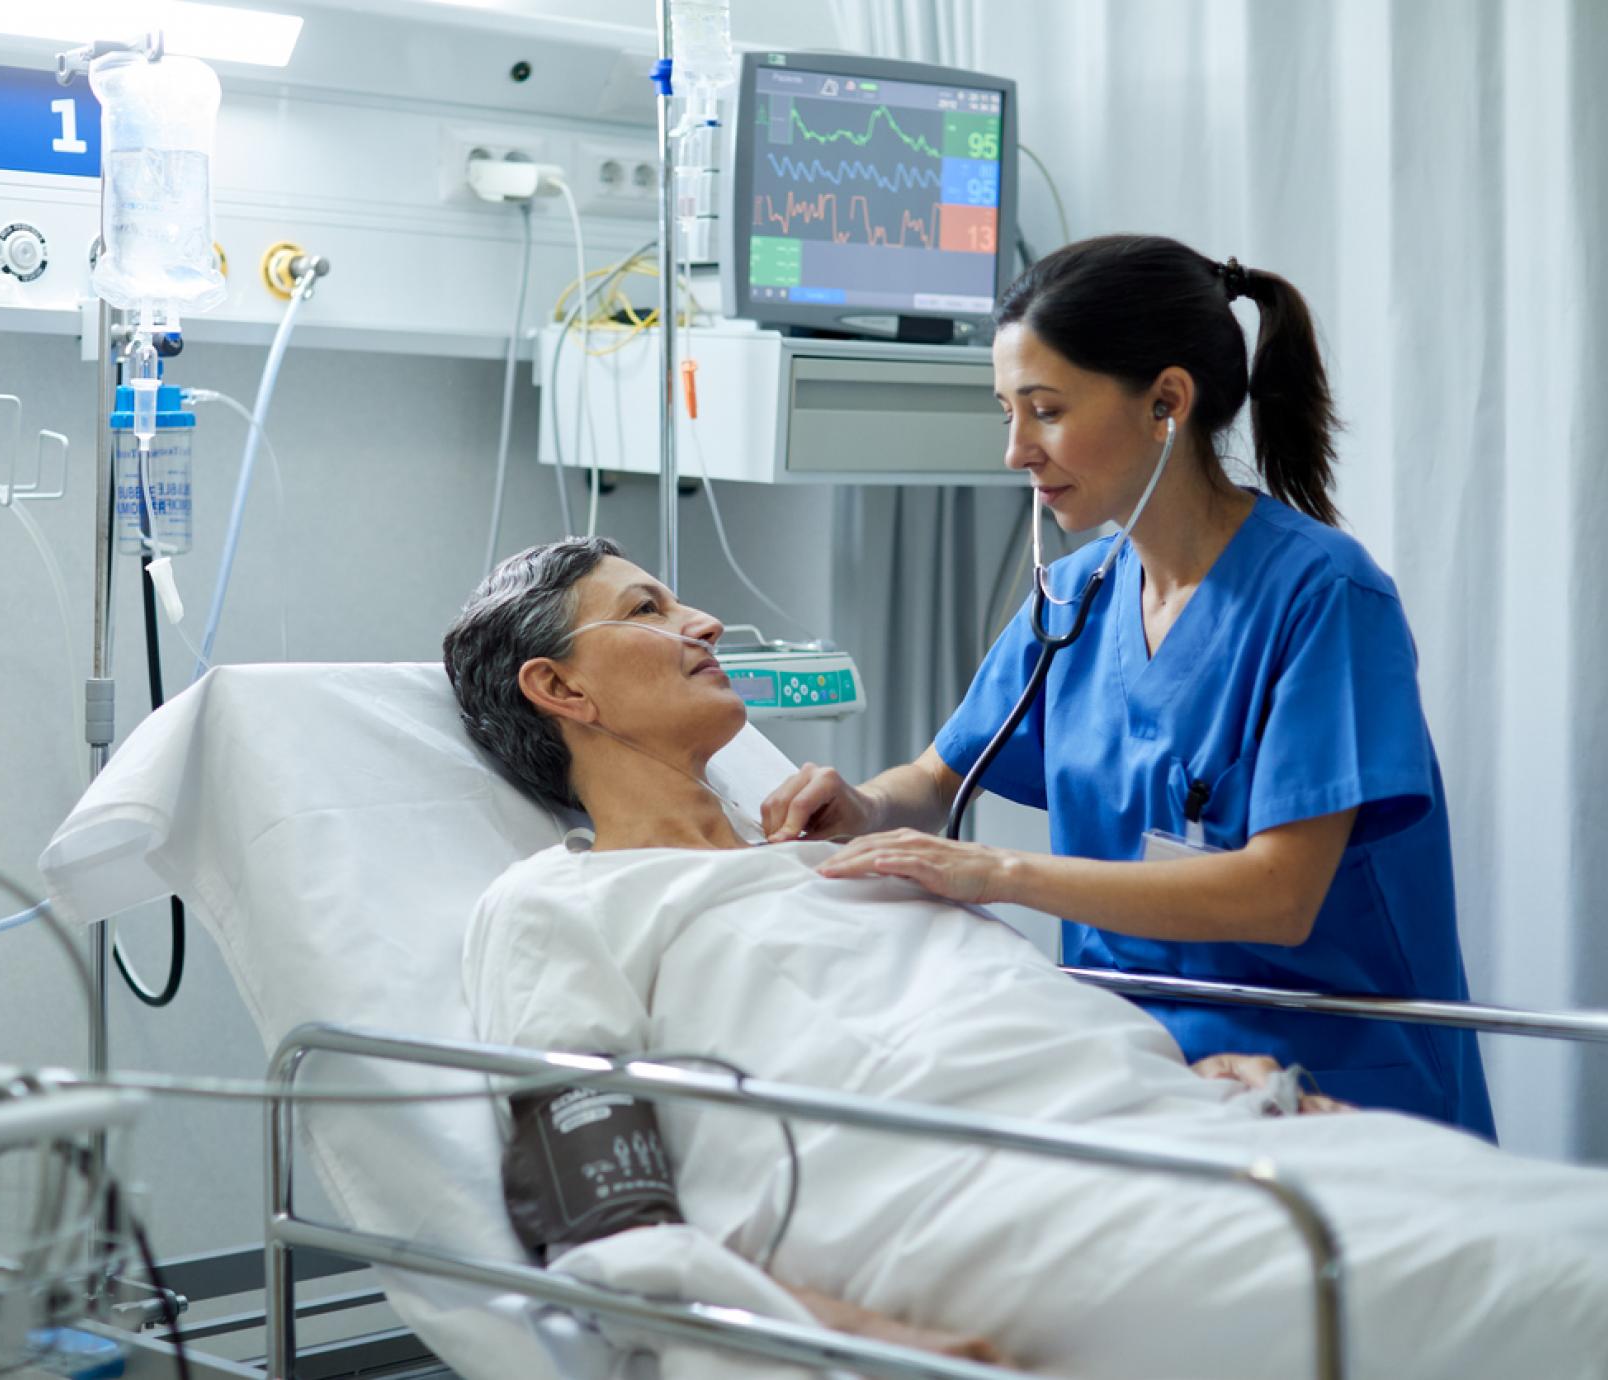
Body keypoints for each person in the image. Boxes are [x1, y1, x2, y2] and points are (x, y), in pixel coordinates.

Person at [441, 539, 1608, 1379]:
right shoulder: (557, 902)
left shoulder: (838, 858)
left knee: (1557, 1232)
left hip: (1174, 1135)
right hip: (973, 1194)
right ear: (559, 689)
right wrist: (833, 1333)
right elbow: (608, 1225)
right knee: (1529, 1289)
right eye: (648, 609)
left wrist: (1183, 1082)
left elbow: (989, 1012)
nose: (702, 624)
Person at [760, 235, 1492, 1135]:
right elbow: (939, 779)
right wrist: (863, 807)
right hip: (1136, 1072)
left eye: (1047, 410)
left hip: (1332, 1088)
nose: (1016, 452)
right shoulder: (1076, 595)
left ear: (1166, 405)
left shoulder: (1324, 599)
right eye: (1007, 414)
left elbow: (1279, 893)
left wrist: (998, 873)